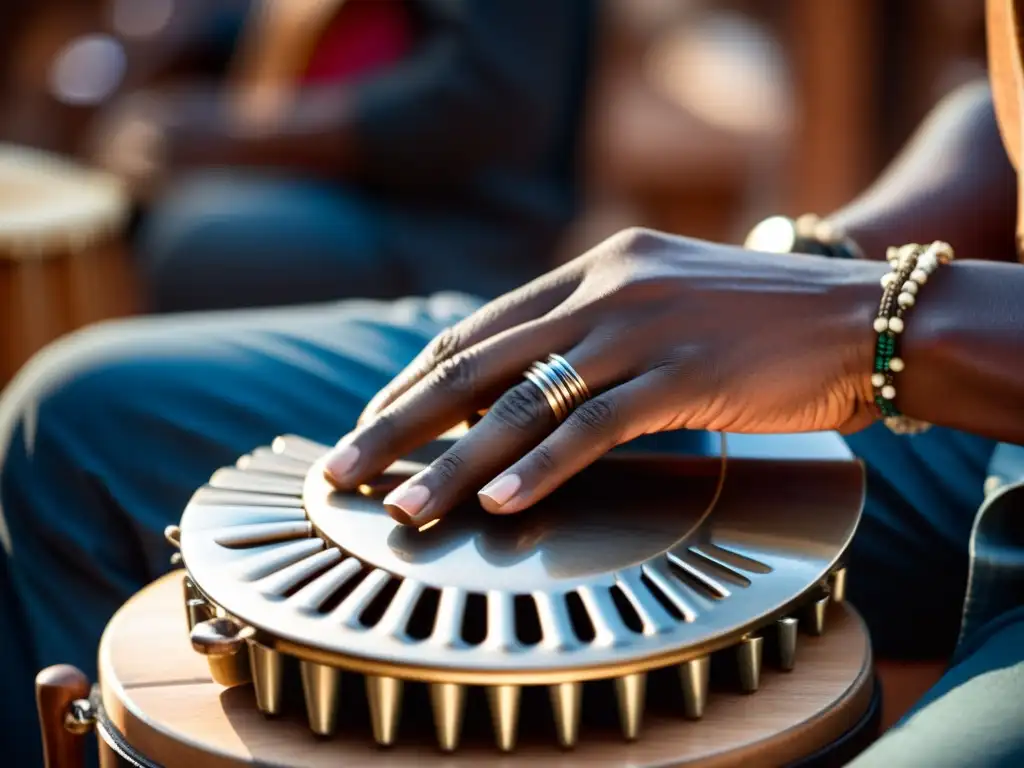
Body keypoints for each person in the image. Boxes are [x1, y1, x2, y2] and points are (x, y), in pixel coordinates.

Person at [1, 63, 1023, 768]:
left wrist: (882, 327)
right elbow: (1002, 98)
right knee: (86, 426)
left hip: (941, 343)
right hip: (959, 396)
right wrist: (816, 267)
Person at [91, 0, 597, 311]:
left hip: (459, 232)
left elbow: (482, 101)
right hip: (362, 195)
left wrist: (235, 133)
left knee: (200, 244)